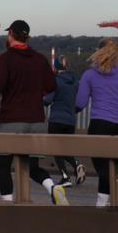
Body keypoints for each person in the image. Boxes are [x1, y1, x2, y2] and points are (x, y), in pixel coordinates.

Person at [0, 20, 68, 205]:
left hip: (11, 119)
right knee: (31, 165)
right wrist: (37, 92)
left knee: (3, 164)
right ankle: (52, 188)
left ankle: (6, 202)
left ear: (11, 34)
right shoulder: (39, 59)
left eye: (8, 34)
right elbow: (52, 85)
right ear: (26, 37)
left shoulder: (5, 59)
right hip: (36, 120)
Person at [76, 39, 118, 208]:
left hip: (100, 123)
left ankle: (114, 196)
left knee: (101, 166)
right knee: (116, 164)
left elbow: (80, 102)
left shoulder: (89, 75)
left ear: (98, 52)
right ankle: (109, 200)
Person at [43, 56, 86, 187]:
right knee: (65, 148)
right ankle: (76, 165)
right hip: (70, 121)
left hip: (56, 119)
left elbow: (47, 100)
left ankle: (65, 177)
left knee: (55, 148)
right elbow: (79, 103)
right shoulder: (76, 82)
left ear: (56, 67)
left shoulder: (56, 81)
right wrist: (73, 111)